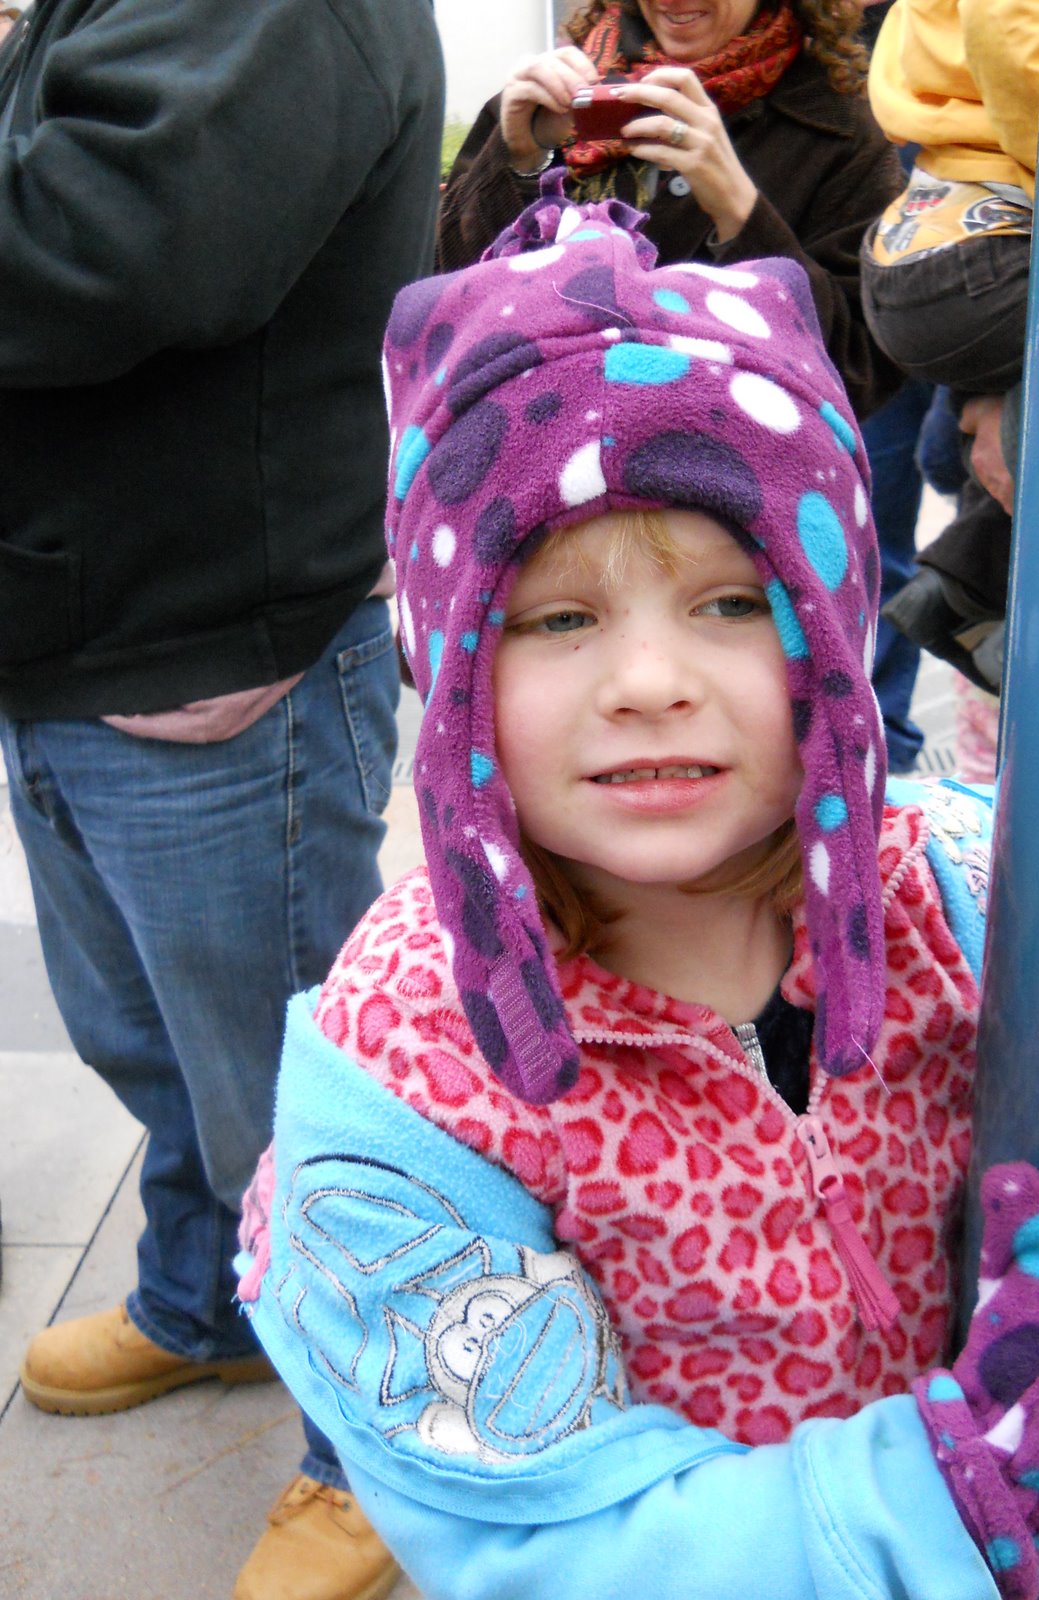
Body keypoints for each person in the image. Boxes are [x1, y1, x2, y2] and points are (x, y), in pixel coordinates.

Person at [236, 195, 1039, 1599]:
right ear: (451, 671)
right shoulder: (405, 1084)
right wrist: (962, 1482)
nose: (648, 681)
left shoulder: (974, 889)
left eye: (733, 602)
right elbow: (546, 1538)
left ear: (834, 620)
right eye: (560, 618)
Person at [0, 1, 443, 1596]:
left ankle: (387, 1448)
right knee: (151, 1050)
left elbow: (112, 244)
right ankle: (210, 1304)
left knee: (301, 1102)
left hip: (213, 652)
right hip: (91, 629)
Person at [438, 0, 905, 419]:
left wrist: (739, 212)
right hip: (539, 453)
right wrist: (518, 160)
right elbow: (445, 310)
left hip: (727, 472)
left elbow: (858, 371)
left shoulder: (842, 128)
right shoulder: (562, 93)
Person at [858, 0, 1039, 691]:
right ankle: (986, 579)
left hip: (927, 241)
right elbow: (1015, 45)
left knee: (969, 434)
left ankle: (963, 585)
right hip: (982, 258)